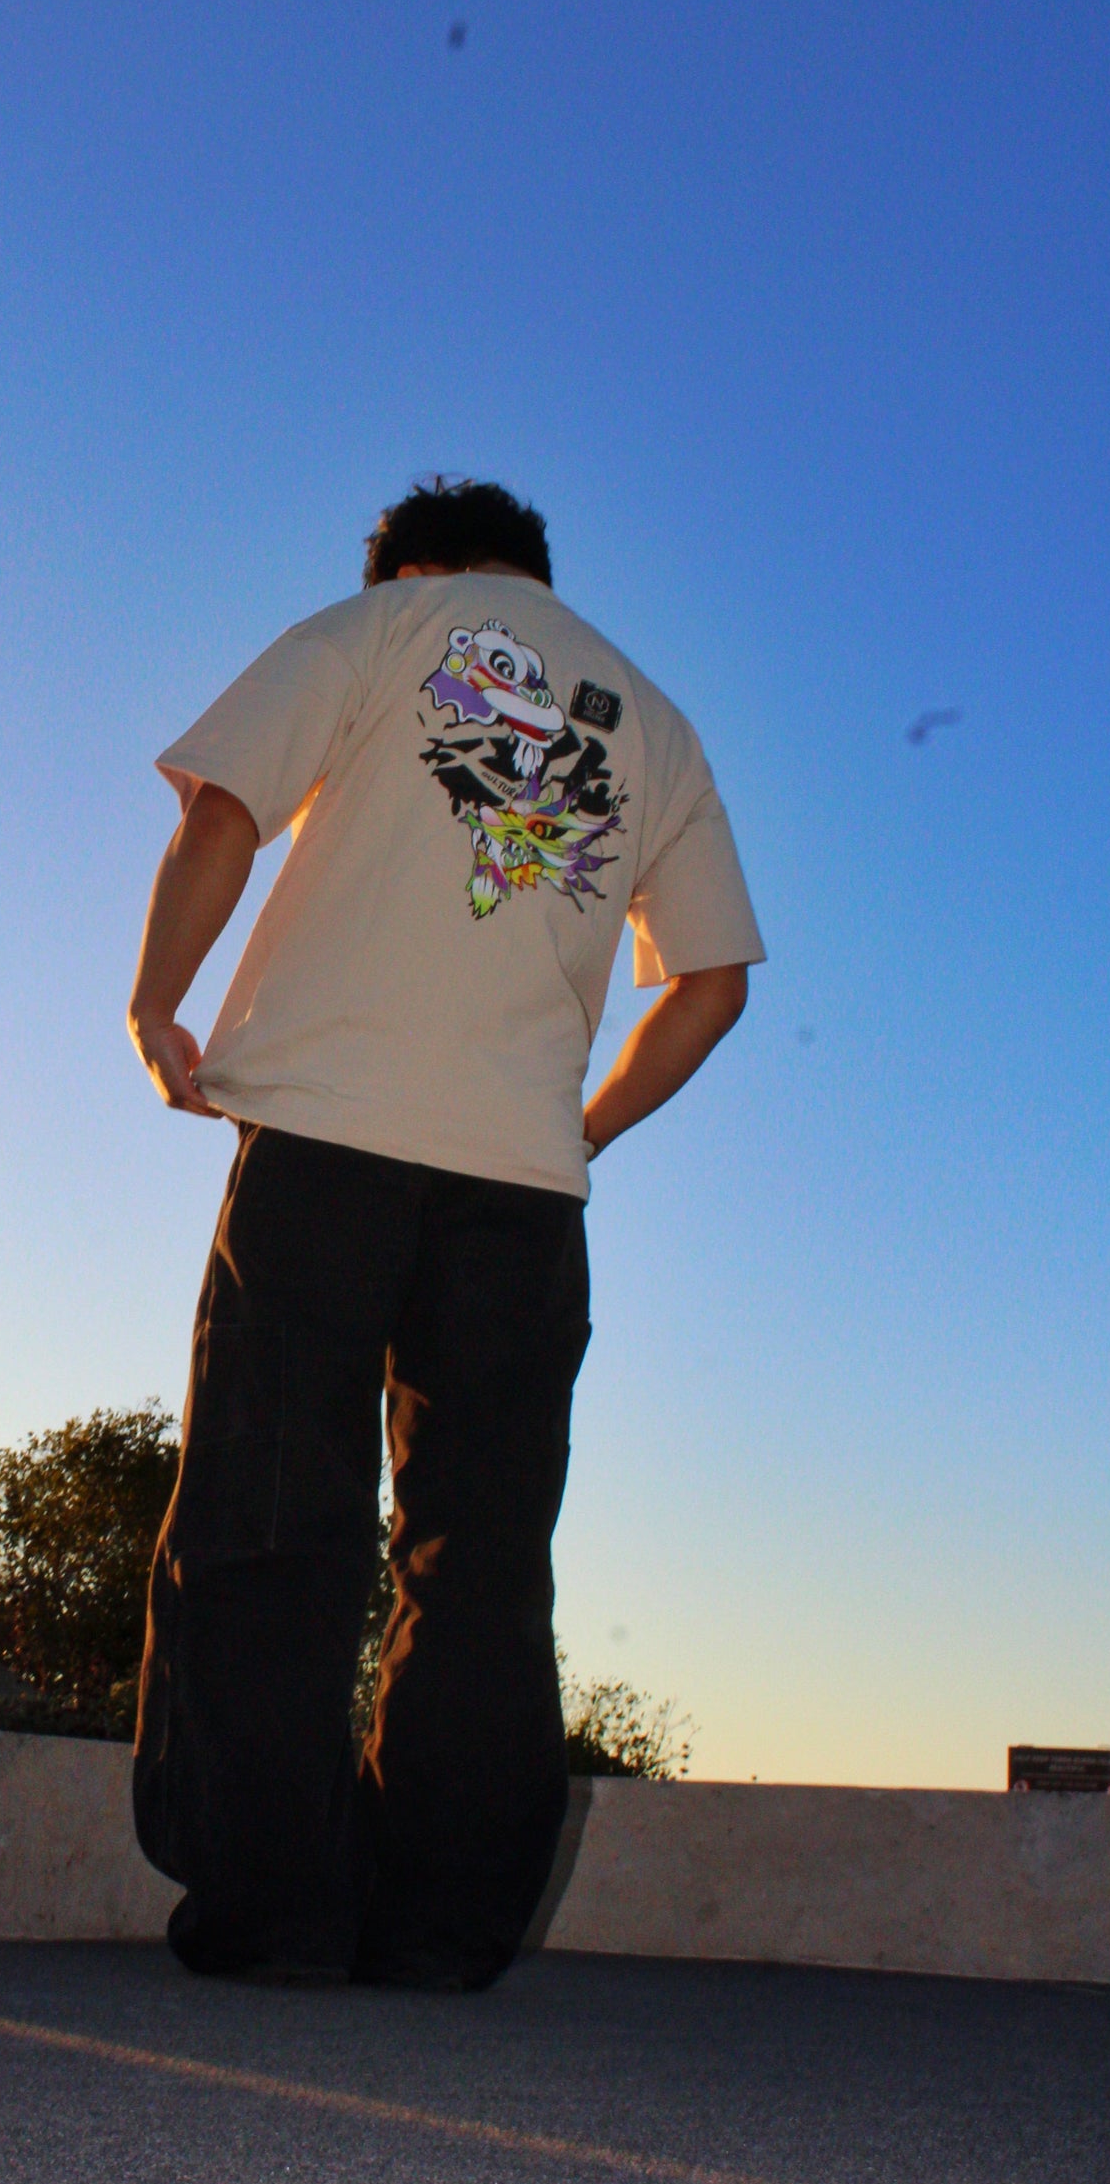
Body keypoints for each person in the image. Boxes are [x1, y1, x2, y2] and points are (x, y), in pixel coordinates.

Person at [126, 476, 763, 1988]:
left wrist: (159, 1006)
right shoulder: (660, 726)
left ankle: (274, 1912)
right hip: (522, 1196)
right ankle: (441, 1932)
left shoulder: (376, 630)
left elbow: (223, 812)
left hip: (328, 1144)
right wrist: (584, 1126)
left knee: (273, 1512)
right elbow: (712, 986)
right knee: (478, 1559)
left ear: (405, 568)